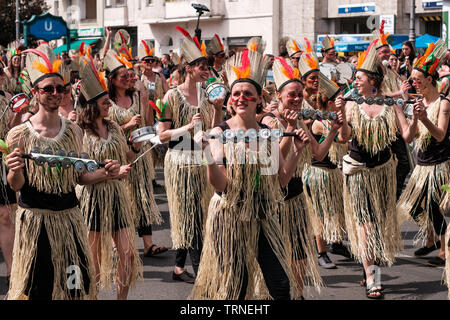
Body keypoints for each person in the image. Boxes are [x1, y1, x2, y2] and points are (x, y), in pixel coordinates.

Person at [190, 48, 310, 300]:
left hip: (263, 214)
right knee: (236, 285)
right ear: (230, 100)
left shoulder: (268, 133)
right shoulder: (219, 132)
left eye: (248, 93)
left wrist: (296, 152)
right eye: (236, 94)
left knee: (280, 284)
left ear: (258, 100)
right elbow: (221, 185)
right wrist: (208, 155)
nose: (241, 97)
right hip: (229, 216)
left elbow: (279, 181)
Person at [4, 44, 107, 299]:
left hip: (69, 221)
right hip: (36, 225)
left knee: (74, 287)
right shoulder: (19, 134)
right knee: (39, 291)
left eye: (60, 88)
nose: (55, 93)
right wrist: (14, 170)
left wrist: (106, 173)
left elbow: (80, 176)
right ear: (35, 93)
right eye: (48, 89)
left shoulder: (74, 131)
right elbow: (16, 185)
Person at [339, 39, 418, 299]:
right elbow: (344, 137)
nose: (356, 81)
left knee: (379, 225)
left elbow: (406, 136)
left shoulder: (390, 104)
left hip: (384, 174)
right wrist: (340, 117)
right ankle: (373, 277)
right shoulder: (351, 104)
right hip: (359, 174)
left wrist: (416, 116)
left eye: (359, 77)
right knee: (367, 225)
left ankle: (368, 268)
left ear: (372, 80)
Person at [260, 57, 343, 297]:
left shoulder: (299, 119)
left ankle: (297, 294)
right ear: (279, 95)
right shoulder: (266, 121)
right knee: (276, 254)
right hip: (273, 201)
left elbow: (317, 153)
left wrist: (333, 131)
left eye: (299, 95)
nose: (297, 99)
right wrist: (287, 129)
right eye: (291, 95)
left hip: (296, 198)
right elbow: (273, 162)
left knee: (299, 254)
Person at [158, 26, 223, 283]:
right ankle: (200, 272)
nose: (207, 71)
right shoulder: (171, 96)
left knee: (197, 212)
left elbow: (216, 128)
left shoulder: (209, 95)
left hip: (202, 159)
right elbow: (162, 135)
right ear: (189, 68)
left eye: (208, 67)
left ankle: (178, 268)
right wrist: (187, 127)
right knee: (189, 214)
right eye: (202, 67)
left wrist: (217, 109)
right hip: (180, 160)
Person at [76, 55, 142, 299]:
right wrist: (107, 173)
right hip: (92, 200)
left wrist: (133, 150)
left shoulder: (113, 126)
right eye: (105, 102)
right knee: (93, 260)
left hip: (116, 196)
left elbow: (126, 155)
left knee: (128, 254)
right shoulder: (80, 133)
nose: (109, 105)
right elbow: (81, 178)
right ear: (92, 105)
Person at [104, 50, 165, 259]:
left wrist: (147, 100)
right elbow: (103, 132)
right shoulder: (107, 102)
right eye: (125, 76)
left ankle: (148, 244)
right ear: (113, 80)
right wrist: (127, 125)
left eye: (131, 76)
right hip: (117, 154)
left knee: (143, 196)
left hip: (140, 153)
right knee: (120, 200)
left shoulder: (138, 95)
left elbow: (148, 123)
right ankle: (117, 244)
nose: (130, 79)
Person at [397, 40, 449, 268]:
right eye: (412, 80)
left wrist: (424, 118)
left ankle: (444, 252)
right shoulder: (418, 103)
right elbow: (409, 137)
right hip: (422, 166)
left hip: (439, 165)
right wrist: (404, 111)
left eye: (417, 80)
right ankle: (434, 241)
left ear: (430, 79)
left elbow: (439, 135)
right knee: (416, 207)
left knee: (433, 208)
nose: (414, 84)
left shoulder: (444, 104)